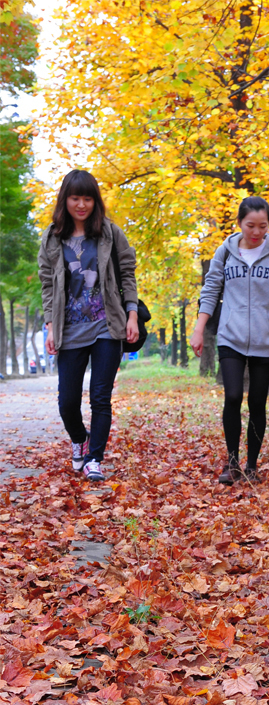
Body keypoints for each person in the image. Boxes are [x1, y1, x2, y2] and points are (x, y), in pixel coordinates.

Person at [38, 169, 139, 482]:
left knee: (100, 397)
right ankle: (80, 439)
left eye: (87, 198)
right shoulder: (53, 236)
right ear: (65, 199)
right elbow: (46, 283)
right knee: (67, 402)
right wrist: (51, 326)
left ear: (95, 201)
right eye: (75, 198)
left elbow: (127, 274)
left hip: (106, 326)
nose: (81, 204)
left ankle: (95, 458)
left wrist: (132, 314)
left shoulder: (109, 233)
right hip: (69, 330)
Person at [190, 196, 269, 484]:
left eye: (263, 226)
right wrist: (199, 329)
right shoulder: (225, 253)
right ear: (239, 224)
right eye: (251, 225)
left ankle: (252, 466)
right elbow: (210, 290)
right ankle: (232, 462)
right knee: (233, 396)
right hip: (231, 336)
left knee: (258, 403)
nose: (257, 232)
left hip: (265, 337)